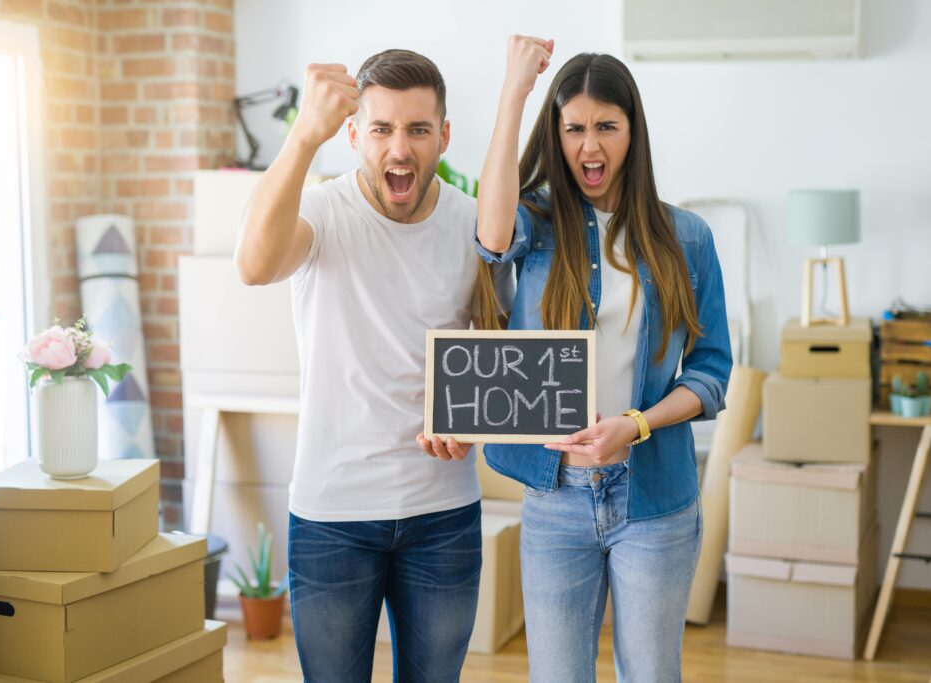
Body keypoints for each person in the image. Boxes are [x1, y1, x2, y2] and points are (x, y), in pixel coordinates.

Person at [236, 49, 511, 683]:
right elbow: (252, 266)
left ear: (443, 135)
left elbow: (493, 347)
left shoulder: (474, 224)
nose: (400, 148)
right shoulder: (324, 213)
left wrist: (474, 420)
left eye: (418, 129)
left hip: (443, 513)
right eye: (382, 128)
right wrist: (305, 134)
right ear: (354, 133)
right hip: (333, 514)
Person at [474, 36, 733, 682]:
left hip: (655, 498)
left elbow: (712, 370)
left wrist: (635, 424)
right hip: (556, 494)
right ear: (556, 135)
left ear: (632, 132)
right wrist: (514, 90)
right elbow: (490, 237)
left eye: (607, 127)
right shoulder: (535, 223)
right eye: (575, 129)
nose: (590, 146)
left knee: (650, 673)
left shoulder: (687, 238)